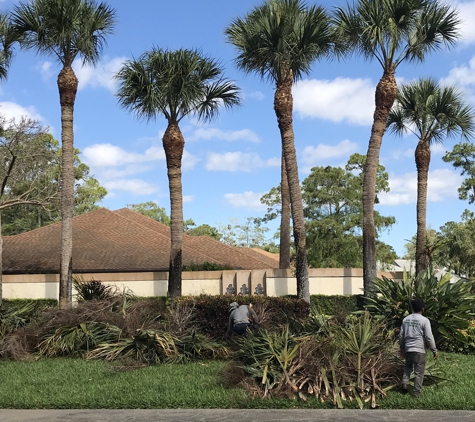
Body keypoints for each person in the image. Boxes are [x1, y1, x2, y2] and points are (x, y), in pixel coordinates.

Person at [399, 297, 438, 398]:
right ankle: (417, 393)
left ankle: (405, 383)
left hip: (408, 349)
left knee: (407, 367)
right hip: (419, 349)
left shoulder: (405, 319)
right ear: (422, 309)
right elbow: (429, 337)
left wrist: (402, 348)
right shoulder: (424, 320)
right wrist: (434, 350)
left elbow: (401, 336)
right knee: (419, 372)